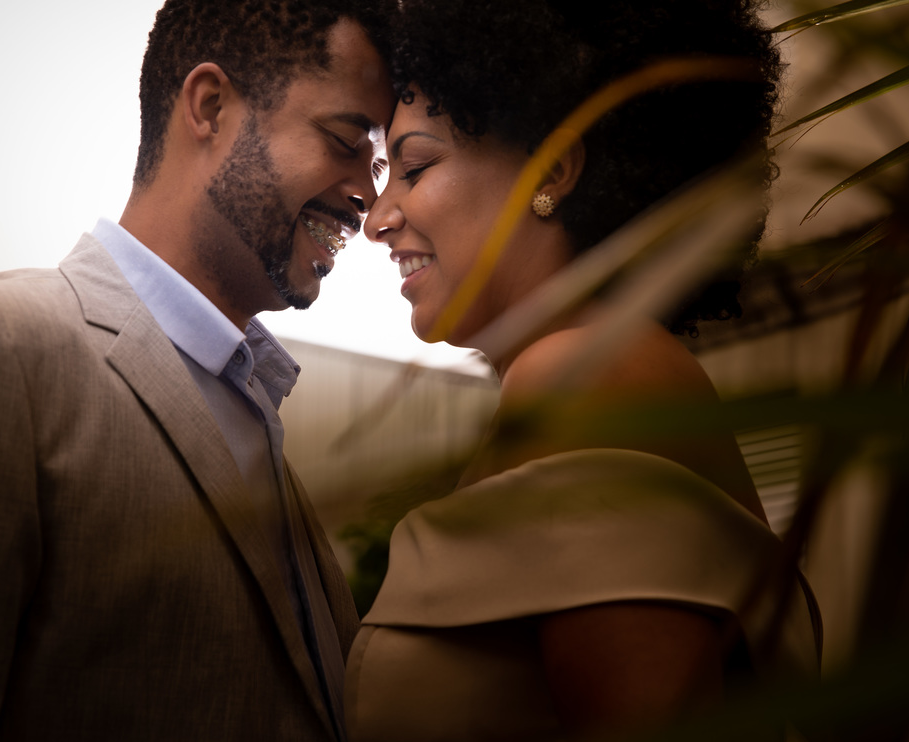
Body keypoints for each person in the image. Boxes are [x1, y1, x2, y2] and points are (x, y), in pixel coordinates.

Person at [0, 0, 394, 739]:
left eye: (381, 166)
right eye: (346, 142)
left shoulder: (257, 412)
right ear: (210, 106)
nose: (370, 197)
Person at [344, 1, 821, 740]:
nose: (378, 218)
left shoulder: (581, 377)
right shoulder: (591, 372)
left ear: (553, 170)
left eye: (414, 167)